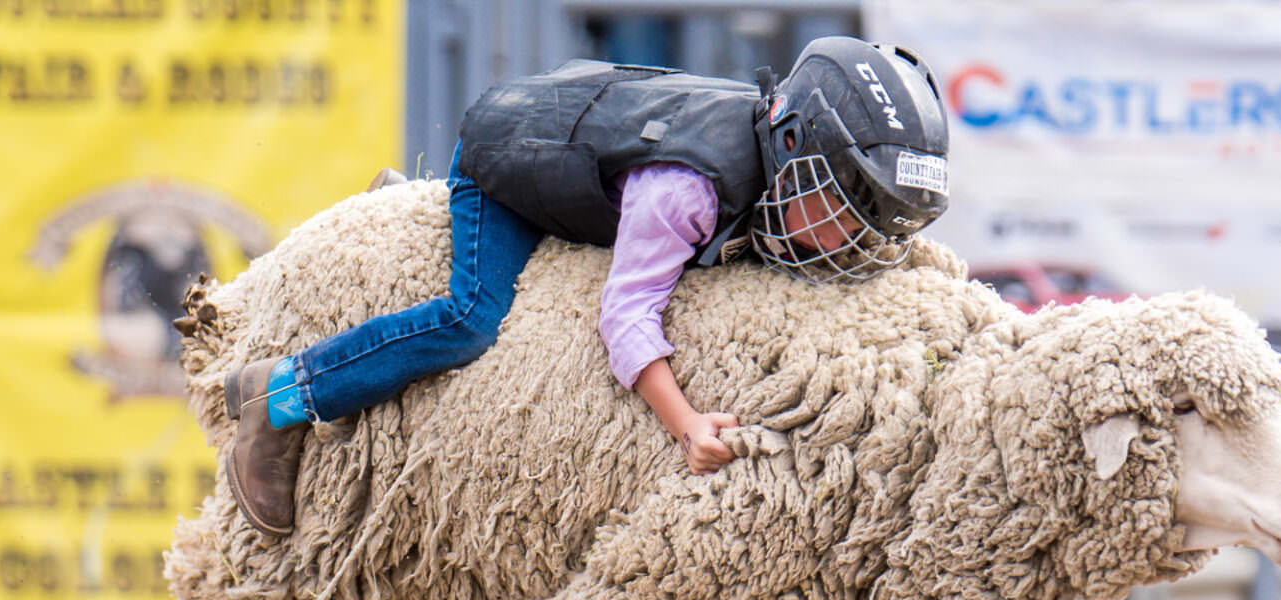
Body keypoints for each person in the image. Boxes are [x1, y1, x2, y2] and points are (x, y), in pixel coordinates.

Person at [222, 36, 950, 536]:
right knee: (470, 319)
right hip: (510, 162)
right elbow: (625, 314)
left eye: (881, 224)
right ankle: (282, 396)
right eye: (847, 207)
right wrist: (687, 423)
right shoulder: (687, 191)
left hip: (584, 149)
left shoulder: (774, 167)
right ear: (792, 146)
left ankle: (413, 209)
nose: (859, 240)